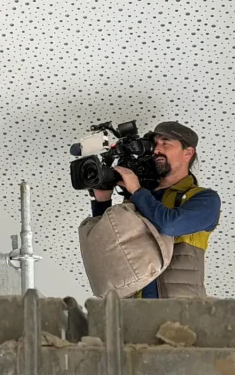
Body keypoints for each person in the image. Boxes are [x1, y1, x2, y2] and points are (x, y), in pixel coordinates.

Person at [91, 121, 221, 298]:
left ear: (188, 153)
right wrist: (102, 200)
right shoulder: (138, 199)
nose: (157, 149)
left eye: (165, 143)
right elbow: (106, 244)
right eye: (155, 144)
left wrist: (137, 191)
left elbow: (169, 225)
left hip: (180, 314)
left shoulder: (203, 199)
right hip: (133, 312)